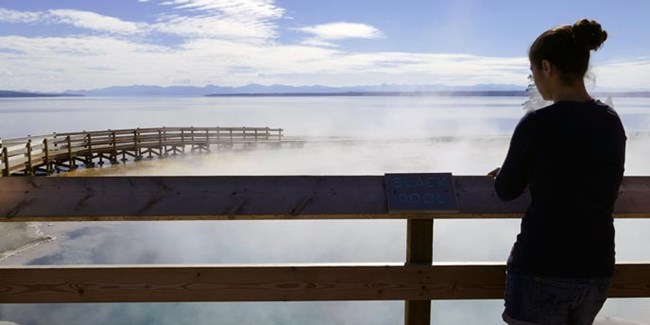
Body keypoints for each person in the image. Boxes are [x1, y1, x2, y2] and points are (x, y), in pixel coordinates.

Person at [489, 19, 627, 325]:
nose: (535, 79)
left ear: (547, 67)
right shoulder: (611, 122)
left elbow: (506, 190)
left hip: (543, 266)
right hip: (596, 269)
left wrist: (509, 173)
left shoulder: (537, 124)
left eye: (533, 71)